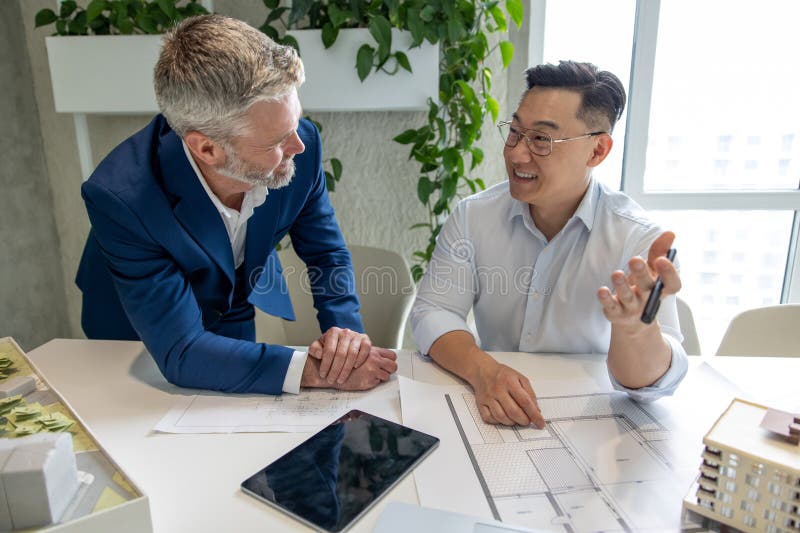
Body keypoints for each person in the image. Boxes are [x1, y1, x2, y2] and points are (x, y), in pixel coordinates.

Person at [76, 14, 397, 395]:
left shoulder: (297, 147)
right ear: (207, 148)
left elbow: (325, 253)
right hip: (132, 341)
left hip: (231, 306)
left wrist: (346, 340)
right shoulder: (122, 199)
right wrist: (316, 372)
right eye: (277, 140)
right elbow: (182, 352)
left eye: (296, 122)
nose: (299, 146)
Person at [409, 60, 687, 428]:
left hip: (591, 423)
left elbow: (648, 388)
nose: (516, 154)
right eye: (515, 132)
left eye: (541, 139)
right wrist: (483, 370)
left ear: (597, 151)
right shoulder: (474, 216)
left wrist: (635, 331)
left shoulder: (637, 239)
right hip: (490, 414)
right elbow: (433, 311)